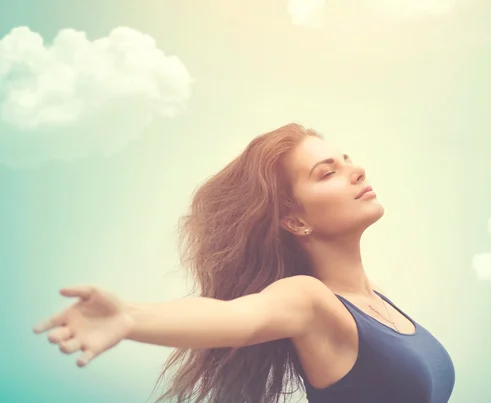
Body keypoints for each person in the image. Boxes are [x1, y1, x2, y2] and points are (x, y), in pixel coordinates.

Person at [33, 123, 455, 403]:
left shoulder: (375, 301)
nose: (358, 171)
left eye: (347, 160)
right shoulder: (310, 300)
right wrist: (128, 317)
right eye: (327, 173)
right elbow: (239, 316)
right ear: (295, 220)